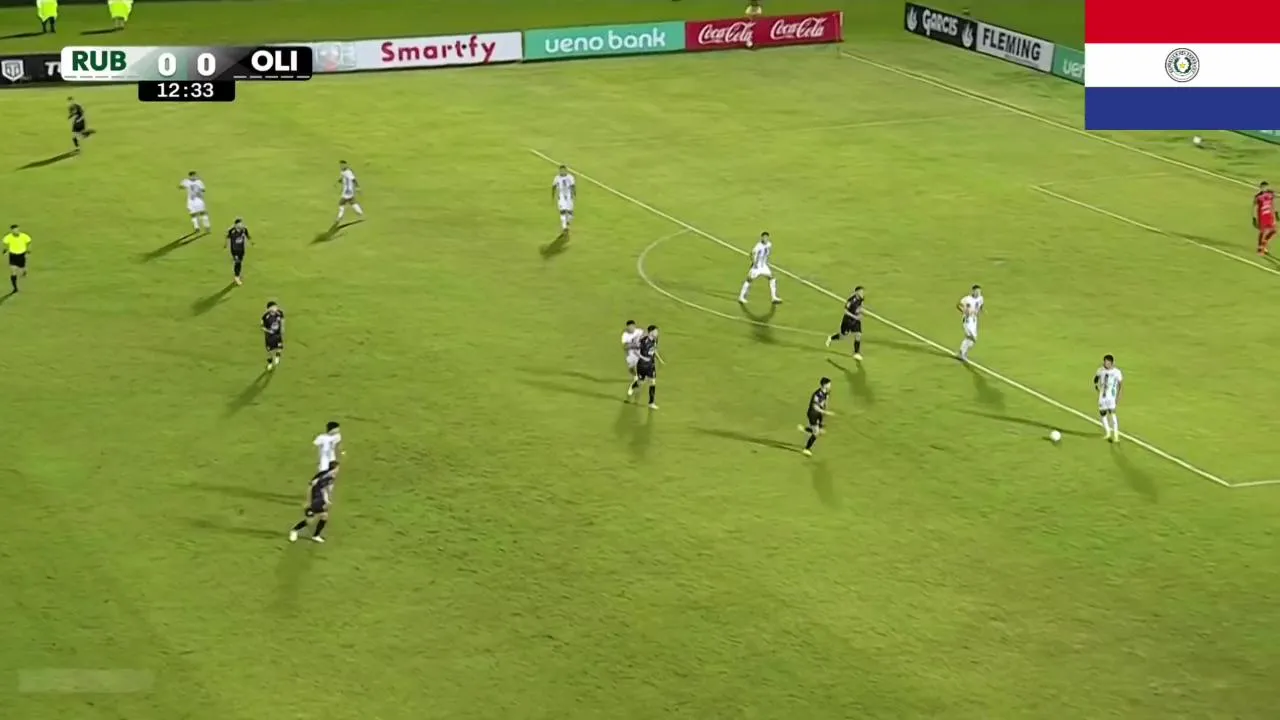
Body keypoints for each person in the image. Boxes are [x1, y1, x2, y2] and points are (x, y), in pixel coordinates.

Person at [289, 462, 338, 543]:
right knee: (310, 520)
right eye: (337, 469)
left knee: (324, 516)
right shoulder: (323, 476)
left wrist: (326, 499)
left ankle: (316, 535)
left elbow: (324, 488)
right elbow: (311, 486)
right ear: (334, 469)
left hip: (320, 499)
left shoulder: (330, 476)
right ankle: (294, 530)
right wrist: (308, 501)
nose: (338, 470)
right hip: (314, 499)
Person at [738, 231, 781, 304]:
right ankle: (741, 297)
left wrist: (766, 262)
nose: (765, 239)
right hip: (757, 267)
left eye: (766, 237)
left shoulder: (769, 244)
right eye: (764, 237)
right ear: (762, 238)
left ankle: (774, 297)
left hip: (764, 266)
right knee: (749, 280)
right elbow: (751, 254)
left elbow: (767, 254)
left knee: (772, 278)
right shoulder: (758, 246)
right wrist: (754, 263)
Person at [826, 286, 865, 359]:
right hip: (848, 321)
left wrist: (861, 312)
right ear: (856, 292)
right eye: (861, 292)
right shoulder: (851, 301)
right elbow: (846, 311)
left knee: (858, 334)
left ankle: (856, 353)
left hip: (856, 320)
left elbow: (861, 305)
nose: (862, 293)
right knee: (842, 336)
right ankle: (831, 338)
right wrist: (855, 317)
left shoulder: (861, 298)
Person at [798, 377, 833, 456]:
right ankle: (806, 449)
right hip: (813, 414)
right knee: (816, 433)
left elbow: (825, 402)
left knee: (819, 431)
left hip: (819, 414)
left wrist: (825, 410)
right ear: (824, 385)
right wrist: (825, 412)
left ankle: (805, 429)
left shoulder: (827, 393)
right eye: (829, 384)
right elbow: (815, 407)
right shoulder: (816, 394)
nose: (830, 385)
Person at [1094, 354, 1124, 443]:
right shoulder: (1100, 370)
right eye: (1105, 362)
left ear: (1111, 363)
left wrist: (1119, 395)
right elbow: (1095, 379)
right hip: (1102, 396)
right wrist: (1096, 387)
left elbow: (1120, 385)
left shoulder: (1117, 372)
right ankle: (1108, 433)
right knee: (1102, 413)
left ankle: (1116, 436)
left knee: (1112, 413)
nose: (1105, 364)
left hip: (1111, 396)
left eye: (1107, 362)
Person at [957, 284, 984, 362]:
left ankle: (962, 352)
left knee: (971, 341)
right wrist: (964, 311)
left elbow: (981, 305)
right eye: (976, 291)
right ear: (973, 291)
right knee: (972, 337)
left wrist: (980, 311)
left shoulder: (980, 298)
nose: (978, 293)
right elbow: (958, 305)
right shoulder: (967, 299)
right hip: (967, 320)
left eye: (979, 291)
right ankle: (962, 353)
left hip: (974, 320)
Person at [2, 224, 32, 294]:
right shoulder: (8, 237)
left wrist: (28, 250)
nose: (15, 231)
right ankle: (15, 288)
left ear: (18, 229)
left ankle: (24, 271)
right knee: (13, 271)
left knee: (22, 269)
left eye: (16, 229)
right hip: (13, 255)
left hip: (21, 255)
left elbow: (29, 242)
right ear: (12, 230)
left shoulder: (24, 236)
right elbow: (5, 243)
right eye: (14, 230)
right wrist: (5, 250)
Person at [226, 218, 250, 285]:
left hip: (241, 250)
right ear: (236, 225)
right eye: (239, 224)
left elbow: (247, 236)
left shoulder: (244, 229)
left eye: (241, 224)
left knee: (240, 262)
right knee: (237, 262)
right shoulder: (232, 231)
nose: (240, 225)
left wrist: (251, 241)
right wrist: (225, 245)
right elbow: (227, 238)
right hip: (234, 250)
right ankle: (236, 277)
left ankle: (237, 275)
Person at [1254, 181, 1275, 255]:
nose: (1264, 188)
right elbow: (1254, 206)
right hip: (1261, 216)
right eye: (1262, 187)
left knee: (1273, 231)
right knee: (1262, 231)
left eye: (1265, 187)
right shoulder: (1258, 196)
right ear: (1260, 188)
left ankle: (1264, 243)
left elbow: (1273, 203)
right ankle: (1260, 247)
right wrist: (1254, 218)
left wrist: (1275, 213)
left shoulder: (1271, 194)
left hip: (1269, 215)